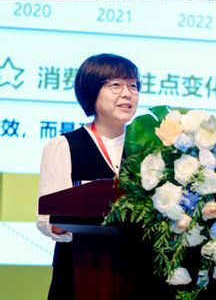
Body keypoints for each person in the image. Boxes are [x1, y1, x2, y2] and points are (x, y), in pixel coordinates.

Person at [37, 53, 139, 300]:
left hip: (138, 272)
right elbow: (47, 220)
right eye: (116, 85)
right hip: (82, 270)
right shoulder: (64, 145)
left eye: (133, 85)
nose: (127, 93)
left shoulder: (150, 148)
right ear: (92, 91)